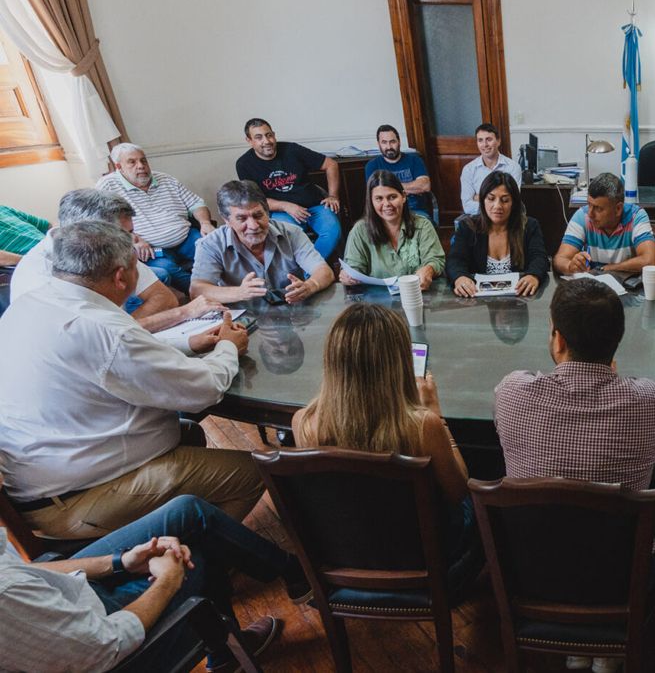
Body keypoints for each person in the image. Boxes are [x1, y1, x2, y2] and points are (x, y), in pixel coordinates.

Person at [0, 221, 260, 540]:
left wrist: (188, 343)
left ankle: (187, 533)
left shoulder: (33, 302)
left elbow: (105, 360)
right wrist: (227, 348)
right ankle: (203, 563)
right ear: (122, 275)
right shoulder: (105, 328)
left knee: (188, 433)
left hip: (40, 478)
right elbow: (203, 390)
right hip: (75, 501)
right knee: (257, 471)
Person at [292, 302, 479, 597]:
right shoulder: (422, 426)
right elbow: (458, 491)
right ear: (398, 363)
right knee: (479, 497)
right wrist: (436, 412)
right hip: (424, 562)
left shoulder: (303, 422)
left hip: (350, 555)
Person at [0, 495, 301, 672]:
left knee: (187, 511)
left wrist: (121, 561)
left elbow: (29, 571)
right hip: (106, 641)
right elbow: (107, 645)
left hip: (64, 598)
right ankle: (226, 651)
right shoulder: (6, 595)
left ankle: (294, 573)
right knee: (192, 552)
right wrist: (169, 580)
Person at [494, 279, 655, 490]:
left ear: (559, 340)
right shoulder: (651, 401)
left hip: (526, 523)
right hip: (619, 524)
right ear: (617, 337)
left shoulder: (511, 393)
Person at [10, 189, 226, 352]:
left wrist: (129, 329)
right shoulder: (39, 281)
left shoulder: (105, 249)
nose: (131, 242)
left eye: (130, 233)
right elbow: (104, 344)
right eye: (123, 234)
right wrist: (182, 313)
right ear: (89, 234)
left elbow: (163, 297)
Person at [97, 142, 216, 292]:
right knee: (168, 269)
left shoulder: (166, 179)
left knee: (213, 249)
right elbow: (103, 223)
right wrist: (132, 238)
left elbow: (196, 203)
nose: (141, 166)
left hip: (185, 237)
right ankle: (204, 294)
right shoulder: (108, 187)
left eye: (143, 160)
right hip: (151, 247)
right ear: (119, 167)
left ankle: (225, 289)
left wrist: (205, 223)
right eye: (132, 162)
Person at [191, 180, 334, 304]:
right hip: (242, 321)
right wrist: (239, 293)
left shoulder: (292, 233)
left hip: (293, 314)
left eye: (258, 215)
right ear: (226, 220)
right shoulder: (210, 244)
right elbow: (197, 290)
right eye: (242, 218)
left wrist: (310, 286)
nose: (253, 226)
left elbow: (324, 271)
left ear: (267, 212)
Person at [235, 118, 342, 259]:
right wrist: (285, 206)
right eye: (258, 137)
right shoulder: (244, 164)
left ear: (274, 134)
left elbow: (331, 164)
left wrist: (333, 195)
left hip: (315, 206)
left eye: (269, 135)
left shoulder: (292, 149)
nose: (266, 141)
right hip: (282, 212)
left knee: (333, 231)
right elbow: (255, 201)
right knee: (289, 239)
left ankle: (309, 273)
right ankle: (313, 272)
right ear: (249, 141)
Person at [446, 170, 549, 297]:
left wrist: (533, 275)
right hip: (477, 304)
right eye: (491, 199)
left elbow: (539, 257)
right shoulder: (468, 227)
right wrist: (459, 277)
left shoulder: (529, 226)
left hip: (520, 299)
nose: (497, 206)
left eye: (505, 200)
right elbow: (455, 260)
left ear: (514, 203)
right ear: (483, 200)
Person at [341, 170, 445, 290]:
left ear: (404, 197)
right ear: (371, 201)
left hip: (417, 294)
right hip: (377, 302)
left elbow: (436, 260)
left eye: (392, 197)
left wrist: (429, 269)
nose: (386, 204)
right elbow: (354, 267)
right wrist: (348, 276)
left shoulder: (422, 225)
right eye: (379, 199)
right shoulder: (360, 230)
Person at [553, 172, 655, 275]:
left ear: (618, 209)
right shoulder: (582, 216)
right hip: (594, 285)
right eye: (589, 205)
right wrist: (570, 266)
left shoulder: (636, 217)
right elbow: (560, 259)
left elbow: (649, 261)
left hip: (628, 285)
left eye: (598, 208)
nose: (590, 214)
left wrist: (607, 269)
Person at [363, 123, 432, 218]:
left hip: (415, 211)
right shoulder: (372, 166)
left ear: (399, 141)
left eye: (392, 142)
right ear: (378, 144)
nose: (389, 147)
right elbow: (374, 194)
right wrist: (411, 188)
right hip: (386, 212)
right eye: (384, 142)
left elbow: (425, 186)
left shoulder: (414, 160)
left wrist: (388, 188)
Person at [459, 122, 522, 216]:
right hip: (479, 221)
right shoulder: (468, 170)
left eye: (489, 139)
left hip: (507, 220)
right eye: (480, 140)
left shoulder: (513, 167)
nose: (485, 145)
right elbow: (467, 206)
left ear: (498, 141)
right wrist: (499, 199)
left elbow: (512, 202)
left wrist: (480, 197)